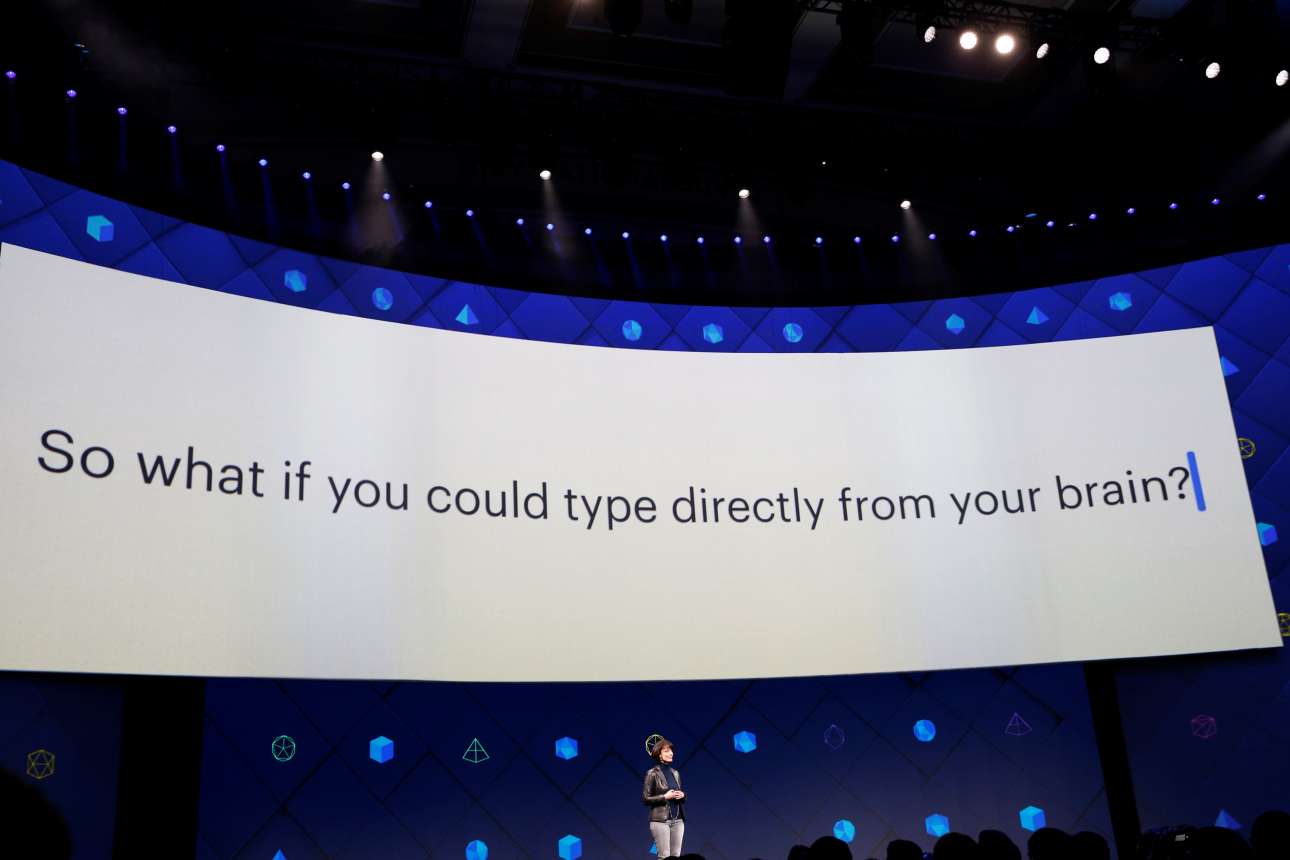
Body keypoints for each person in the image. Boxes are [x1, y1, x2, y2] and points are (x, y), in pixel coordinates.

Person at [643, 736, 687, 858]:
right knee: (664, 857)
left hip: (678, 820)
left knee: (676, 856)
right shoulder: (652, 773)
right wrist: (665, 797)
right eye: (666, 751)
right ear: (659, 755)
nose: (671, 753)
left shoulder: (675, 773)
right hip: (661, 821)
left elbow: (680, 796)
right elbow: (646, 798)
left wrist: (682, 795)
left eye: (671, 750)